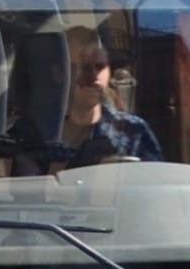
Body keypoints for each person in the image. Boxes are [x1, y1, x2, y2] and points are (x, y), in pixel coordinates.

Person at [56, 25, 164, 166]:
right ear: (59, 73)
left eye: (100, 66)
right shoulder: (37, 134)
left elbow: (155, 182)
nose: (94, 77)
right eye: (84, 67)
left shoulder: (133, 131)